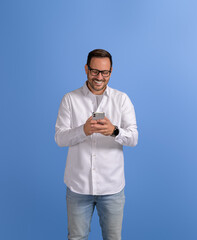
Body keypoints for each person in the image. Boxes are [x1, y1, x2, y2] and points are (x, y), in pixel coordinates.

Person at [55, 49, 138, 240]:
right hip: (78, 187)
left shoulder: (122, 100)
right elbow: (59, 138)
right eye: (94, 71)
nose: (99, 77)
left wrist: (114, 131)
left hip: (112, 188)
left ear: (111, 72)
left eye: (105, 72)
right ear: (86, 69)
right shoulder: (70, 100)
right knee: (76, 238)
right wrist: (82, 130)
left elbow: (134, 138)